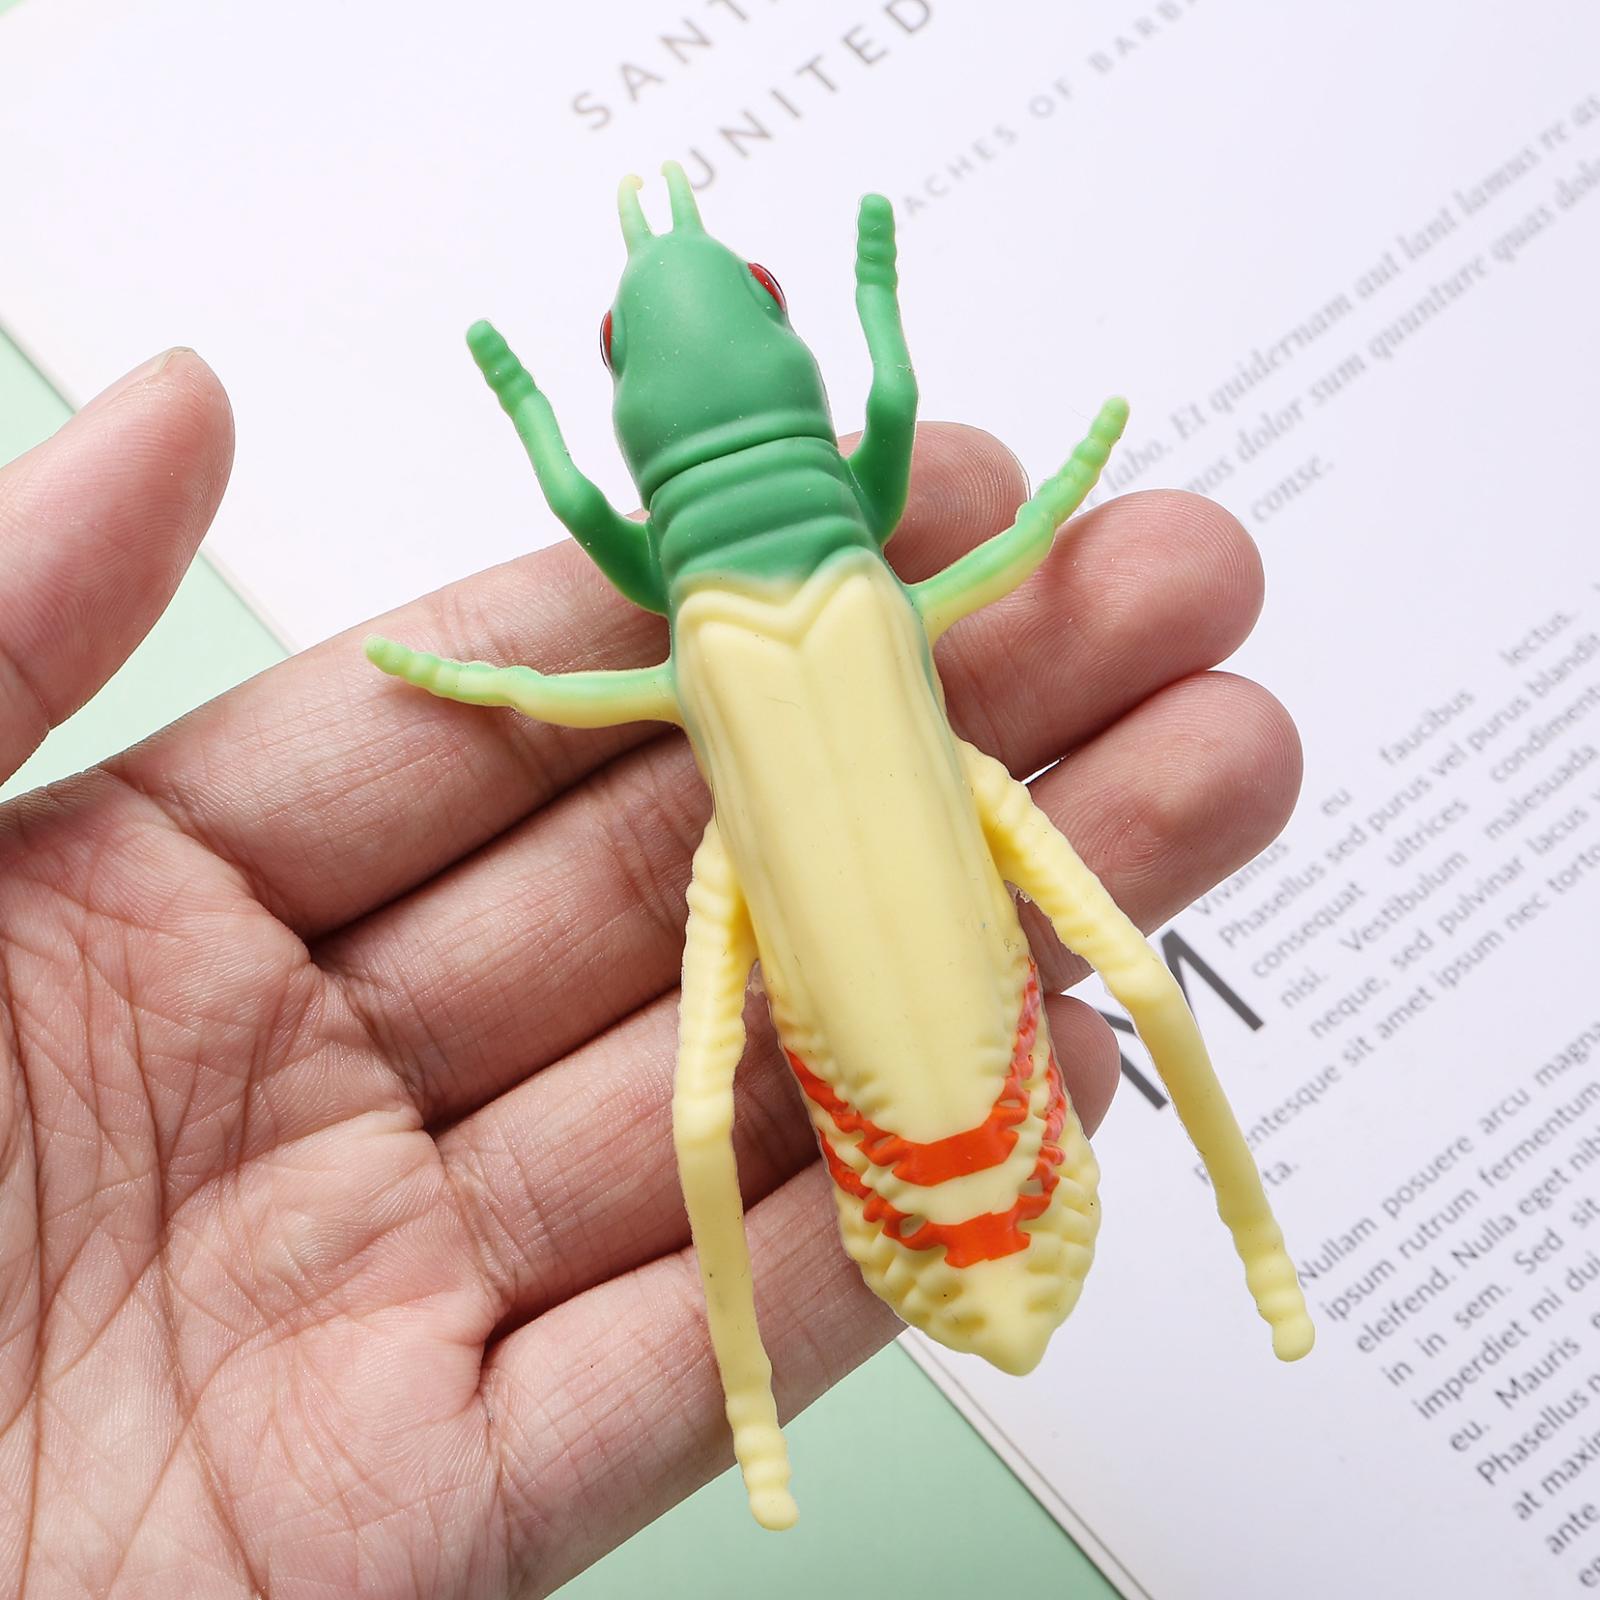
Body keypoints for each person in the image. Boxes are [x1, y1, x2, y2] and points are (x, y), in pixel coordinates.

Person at [0, 349, 1299, 1596]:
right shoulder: (870, 588)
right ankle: (1257, 1262)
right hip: (855, 897)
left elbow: (562, 678)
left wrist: (479, 665)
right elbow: (995, 529)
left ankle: (771, 1414)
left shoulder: (717, 628)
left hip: (887, 952)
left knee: (723, 1109)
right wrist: (1057, 480)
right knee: (1107, 980)